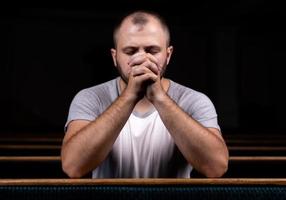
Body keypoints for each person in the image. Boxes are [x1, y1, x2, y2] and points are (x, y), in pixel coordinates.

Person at [61, 10, 229, 178]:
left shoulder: (194, 100)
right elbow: (73, 167)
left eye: (152, 50)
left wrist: (159, 97)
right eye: (130, 51)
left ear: (168, 55)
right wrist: (130, 95)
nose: (142, 59)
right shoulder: (90, 98)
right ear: (115, 57)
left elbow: (216, 168)